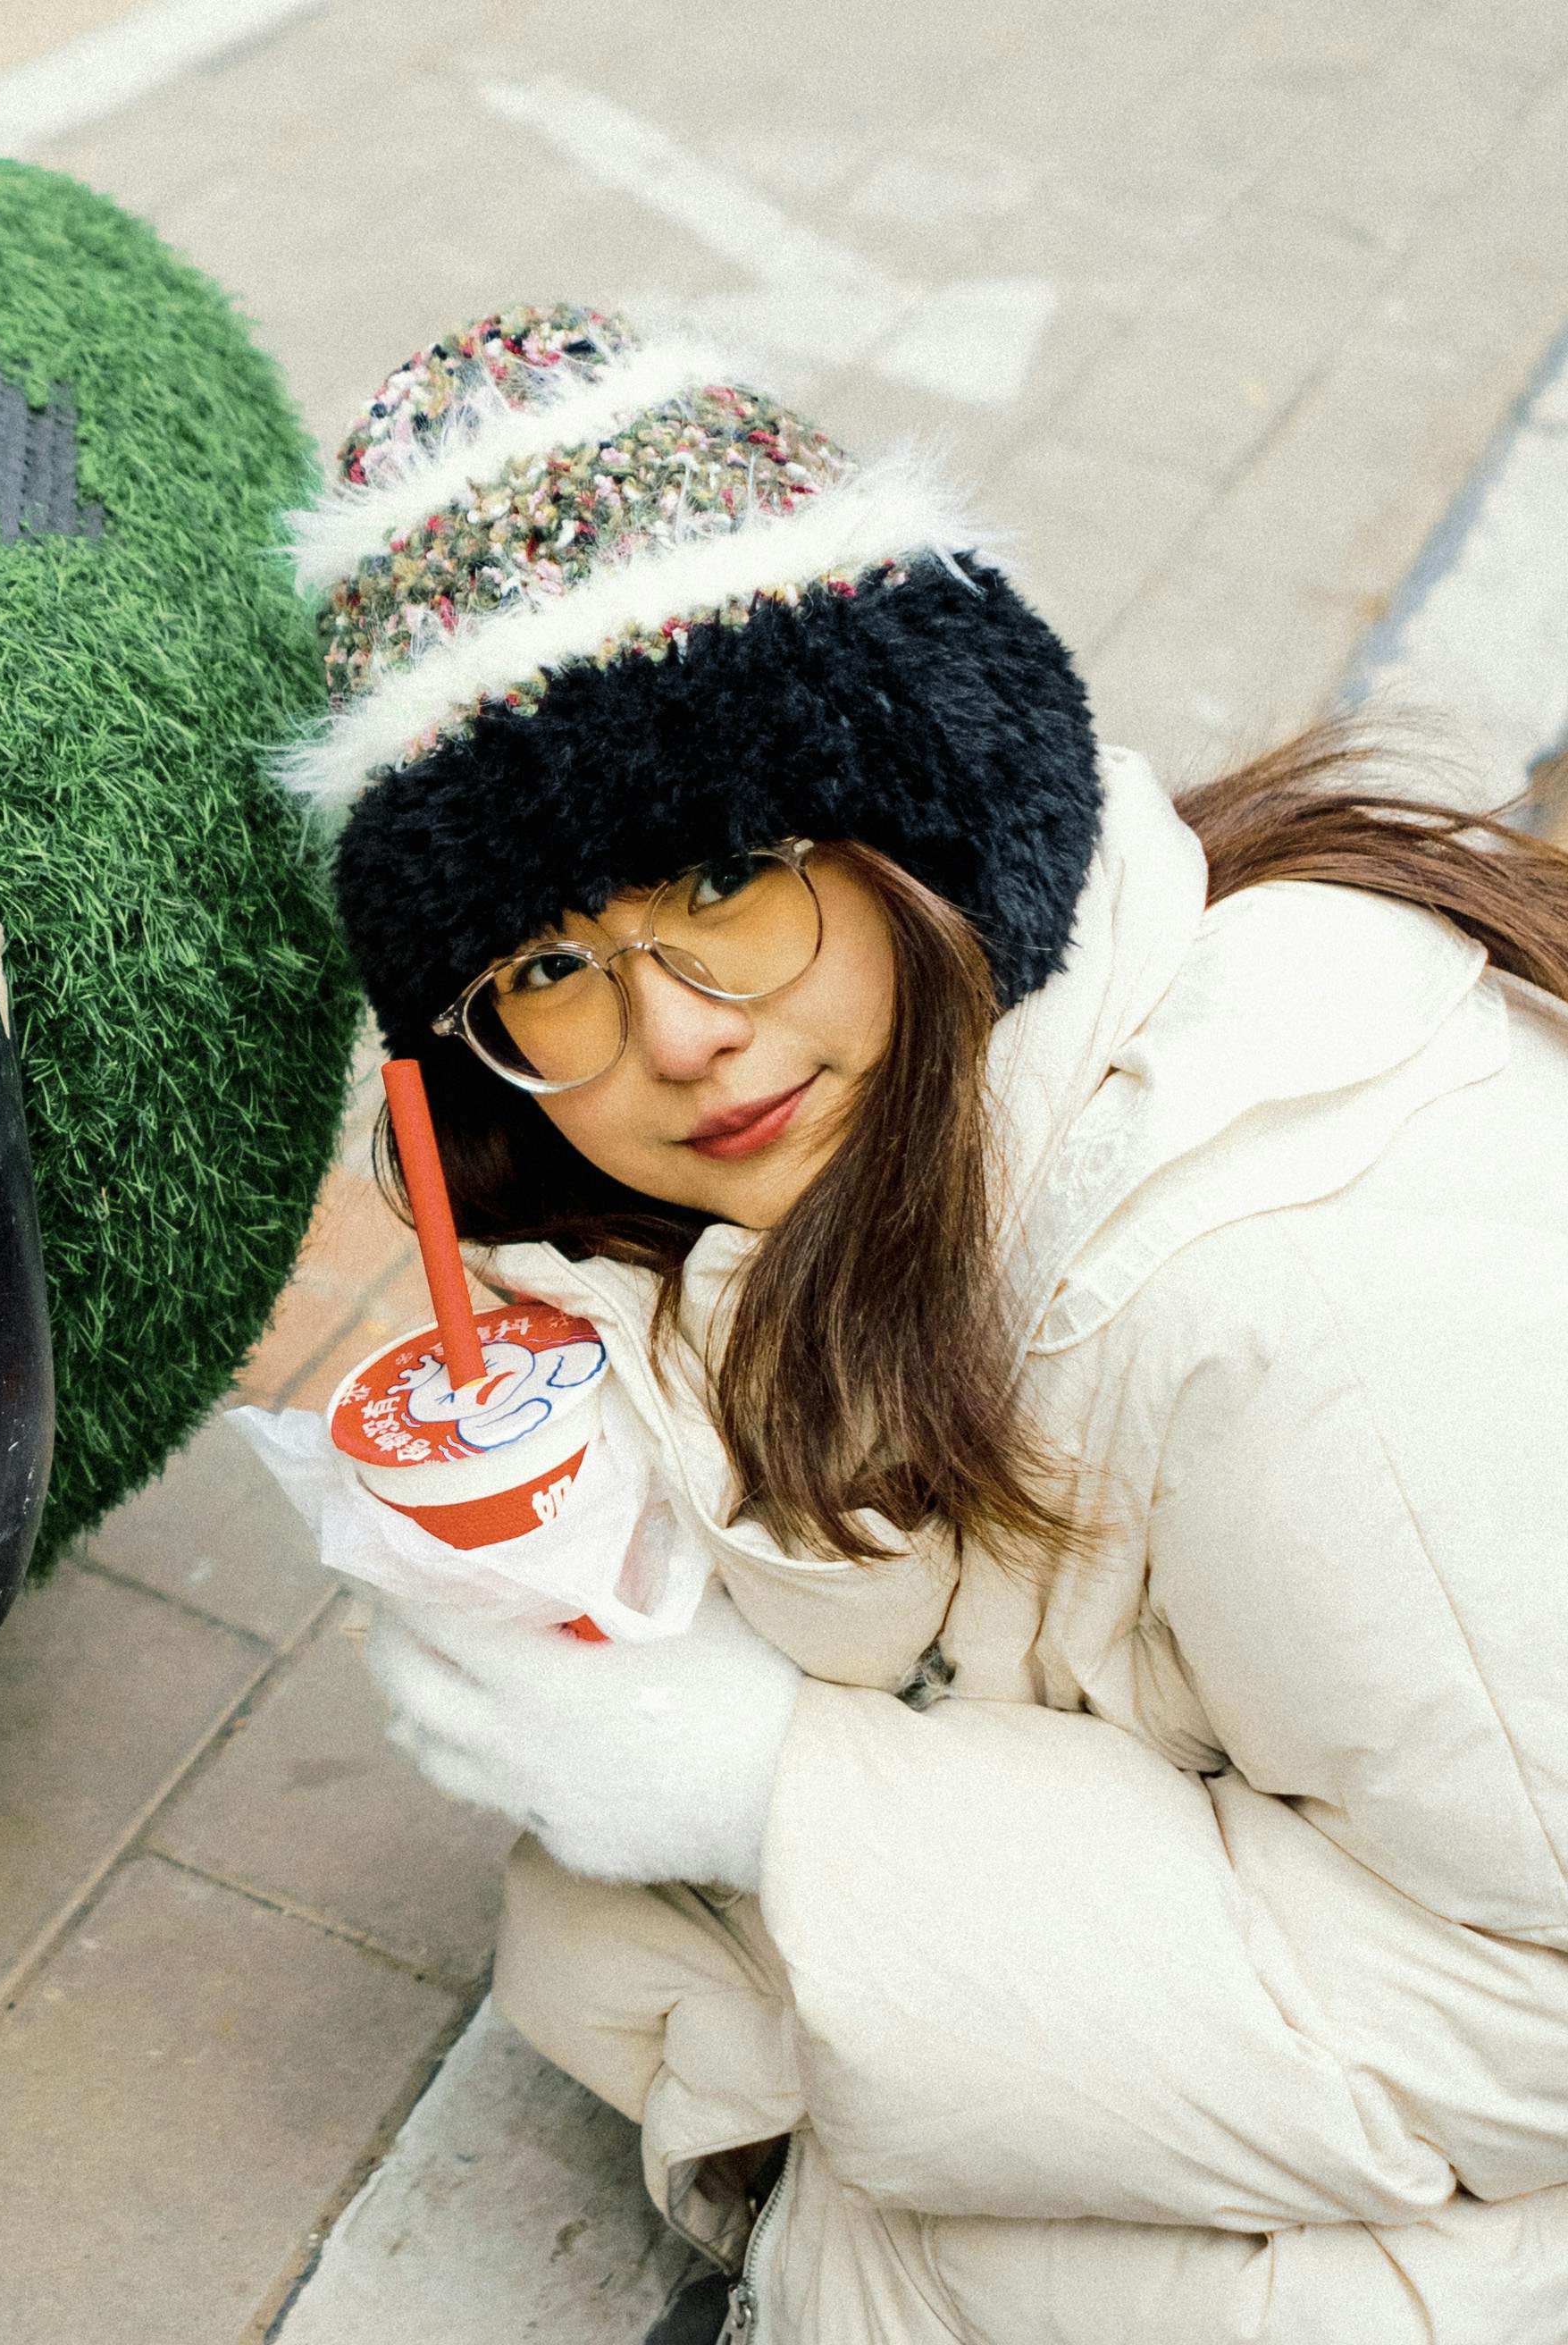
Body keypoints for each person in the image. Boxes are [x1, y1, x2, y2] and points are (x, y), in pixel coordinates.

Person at [281, 306, 1568, 2343]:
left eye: (728, 874)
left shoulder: (1279, 1283)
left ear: (933, 814)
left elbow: (1533, 2007)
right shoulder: (837, 1189)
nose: (677, 1034)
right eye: (548, 964)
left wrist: (768, 1790)